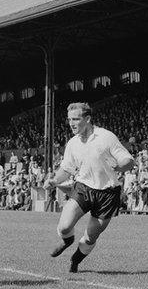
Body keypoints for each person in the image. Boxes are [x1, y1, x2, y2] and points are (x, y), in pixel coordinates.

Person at [46, 102, 135, 273]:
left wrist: (118, 167)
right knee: (64, 226)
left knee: (91, 236)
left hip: (108, 193)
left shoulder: (106, 137)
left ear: (87, 119)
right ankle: (67, 240)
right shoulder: (72, 143)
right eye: (69, 119)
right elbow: (66, 168)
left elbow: (128, 161)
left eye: (76, 119)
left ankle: (76, 260)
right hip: (83, 188)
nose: (72, 123)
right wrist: (54, 180)